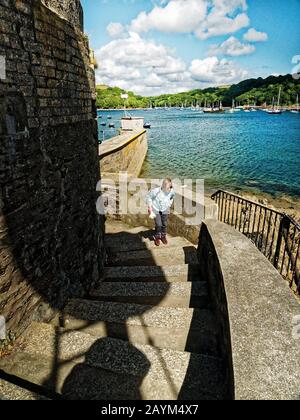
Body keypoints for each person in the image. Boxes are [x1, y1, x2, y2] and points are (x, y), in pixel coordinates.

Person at [146, 178, 175, 246]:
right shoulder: (156, 191)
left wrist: (169, 205)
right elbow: (149, 197)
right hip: (156, 208)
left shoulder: (172, 191)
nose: (168, 189)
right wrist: (150, 207)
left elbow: (172, 198)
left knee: (164, 224)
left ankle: (163, 235)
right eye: (166, 187)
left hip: (165, 209)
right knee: (159, 224)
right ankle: (157, 236)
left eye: (169, 187)